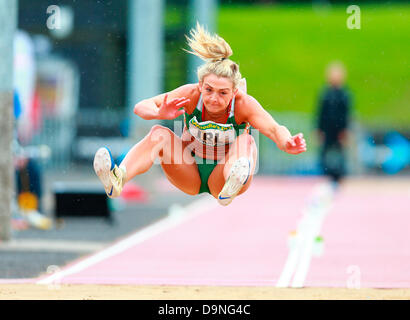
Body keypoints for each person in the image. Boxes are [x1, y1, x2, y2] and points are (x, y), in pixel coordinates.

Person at [94, 23, 307, 206]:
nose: (214, 98)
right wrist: (159, 112)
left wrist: (286, 142)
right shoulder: (190, 94)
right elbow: (141, 106)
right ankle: (118, 178)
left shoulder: (243, 105)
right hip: (190, 171)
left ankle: (232, 182)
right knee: (159, 133)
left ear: (234, 91)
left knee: (247, 141)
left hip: (222, 176)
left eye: (223, 93)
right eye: (209, 90)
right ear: (200, 85)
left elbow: (274, 128)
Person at [315, 61, 352, 186]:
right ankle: (327, 175)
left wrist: (345, 130)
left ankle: (340, 176)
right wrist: (319, 129)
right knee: (324, 154)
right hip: (327, 129)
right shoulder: (325, 93)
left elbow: (347, 114)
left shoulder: (345, 94)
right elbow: (320, 112)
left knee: (340, 154)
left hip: (339, 130)